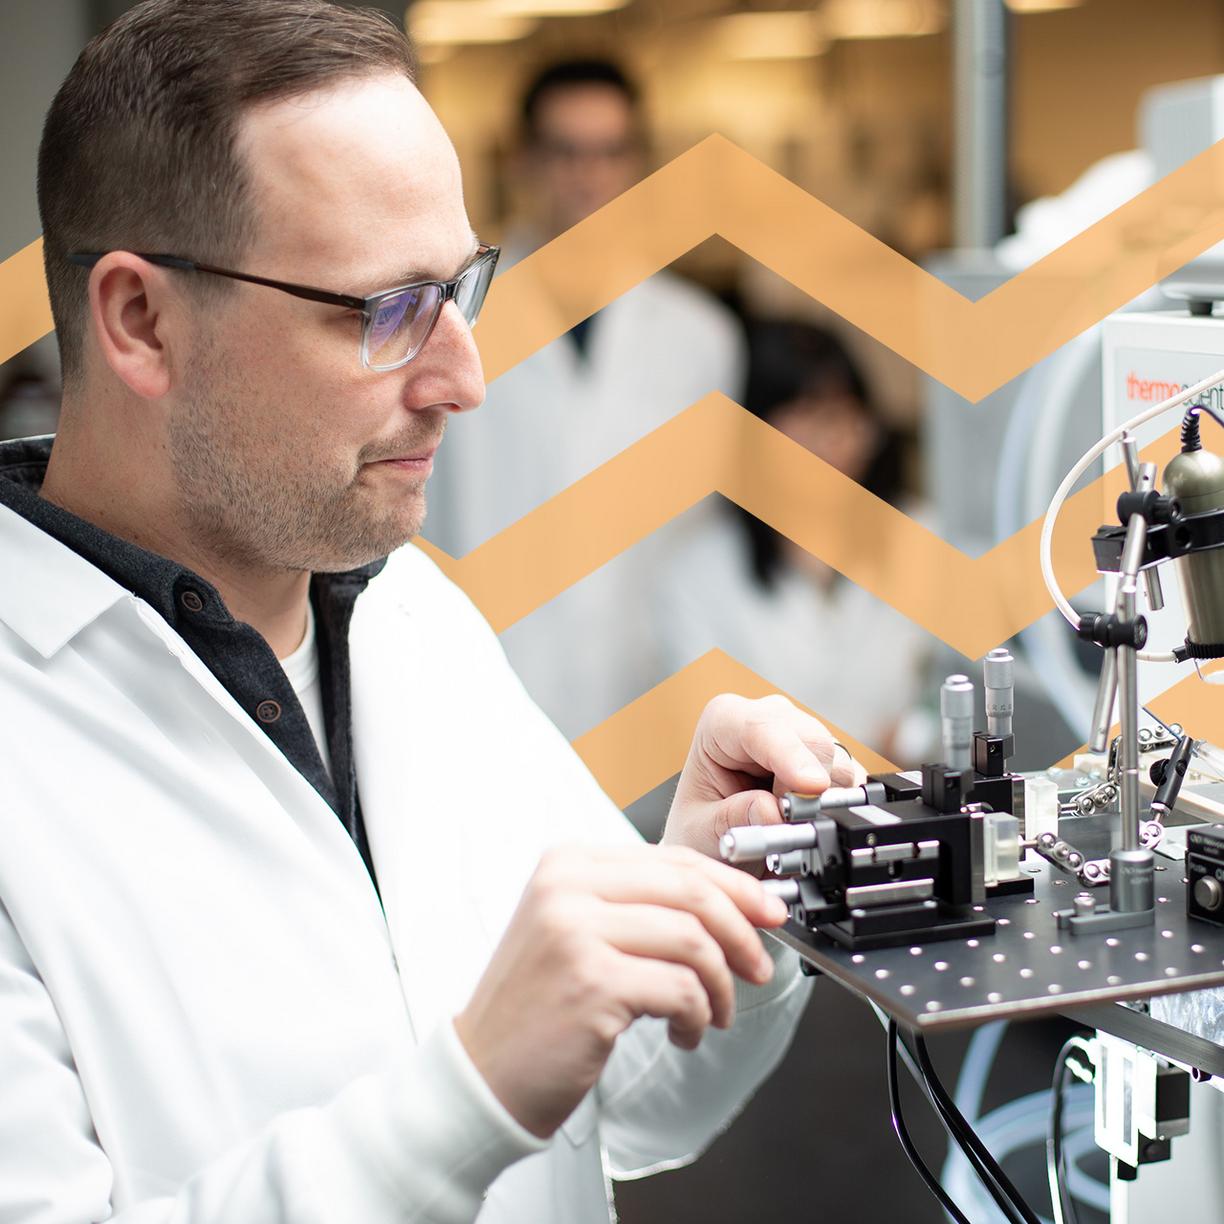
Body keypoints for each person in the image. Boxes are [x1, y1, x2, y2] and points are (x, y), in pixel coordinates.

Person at [0, 4, 862, 1222]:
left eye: (460, 290)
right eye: (387, 310)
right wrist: (471, 1094)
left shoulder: (411, 615)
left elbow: (632, 1110)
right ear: (143, 321)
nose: (465, 378)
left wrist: (723, 906)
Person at [424, 58, 746, 740]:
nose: (587, 175)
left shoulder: (700, 338)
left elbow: (706, 543)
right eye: (564, 151)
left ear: (639, 164)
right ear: (523, 161)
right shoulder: (451, 324)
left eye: (609, 152)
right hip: (485, 684)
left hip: (649, 693)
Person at [656, 321, 932, 762]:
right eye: (810, 416)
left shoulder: (920, 539)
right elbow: (710, 733)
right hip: (768, 799)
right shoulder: (699, 574)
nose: (834, 440)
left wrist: (916, 735)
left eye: (848, 416)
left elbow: (959, 689)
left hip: (905, 791)